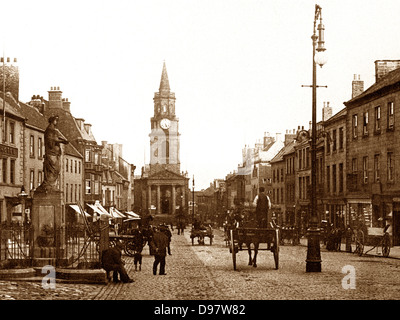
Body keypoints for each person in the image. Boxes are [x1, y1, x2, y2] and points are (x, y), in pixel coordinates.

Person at [36, 115, 69, 193]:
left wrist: (62, 140)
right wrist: (62, 141)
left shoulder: (54, 130)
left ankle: (51, 185)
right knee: (53, 169)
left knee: (57, 169)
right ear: (52, 121)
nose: (56, 122)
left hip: (55, 153)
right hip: (51, 153)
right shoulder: (49, 130)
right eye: (55, 120)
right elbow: (51, 140)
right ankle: (48, 185)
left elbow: (57, 138)